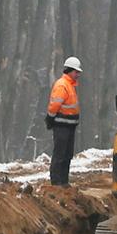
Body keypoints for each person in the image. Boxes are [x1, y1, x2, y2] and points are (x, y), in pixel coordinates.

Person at [45, 56, 82, 186]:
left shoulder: (69, 86)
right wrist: (50, 119)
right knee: (60, 155)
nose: (78, 75)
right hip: (61, 126)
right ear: (69, 70)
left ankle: (64, 182)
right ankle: (56, 183)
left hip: (69, 126)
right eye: (76, 72)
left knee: (67, 155)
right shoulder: (62, 85)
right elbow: (54, 105)